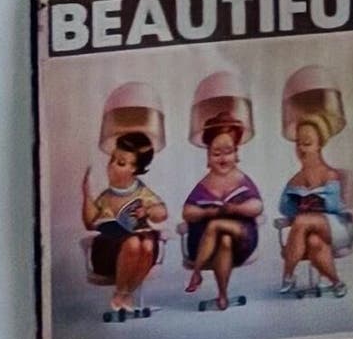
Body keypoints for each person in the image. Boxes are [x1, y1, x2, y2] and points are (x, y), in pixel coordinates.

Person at [175, 102, 262, 313]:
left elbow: (257, 206)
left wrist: (235, 209)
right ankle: (222, 295)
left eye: (228, 152)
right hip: (205, 244)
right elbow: (187, 212)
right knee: (221, 237)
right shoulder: (203, 184)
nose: (222, 158)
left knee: (217, 227)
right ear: (208, 156)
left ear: (236, 153)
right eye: (216, 153)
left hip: (242, 238)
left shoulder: (243, 180)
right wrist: (206, 212)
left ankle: (196, 273)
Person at [81, 117, 168, 325]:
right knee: (132, 242)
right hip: (110, 247)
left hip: (139, 239)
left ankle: (125, 293)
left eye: (120, 163)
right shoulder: (106, 196)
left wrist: (147, 210)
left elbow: (161, 213)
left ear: (134, 169)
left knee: (146, 243)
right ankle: (121, 292)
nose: (111, 167)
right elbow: (89, 223)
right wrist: (86, 195)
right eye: (112, 160)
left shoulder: (141, 192)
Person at [275, 102, 352, 299]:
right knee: (314, 242)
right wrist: (296, 201)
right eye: (298, 143)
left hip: (335, 227)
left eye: (307, 143)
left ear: (319, 144)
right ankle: (337, 283)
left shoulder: (330, 175)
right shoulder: (295, 179)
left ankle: (288, 275)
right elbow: (285, 209)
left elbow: (335, 208)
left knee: (303, 221)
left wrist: (316, 201)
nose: (301, 148)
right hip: (312, 231)